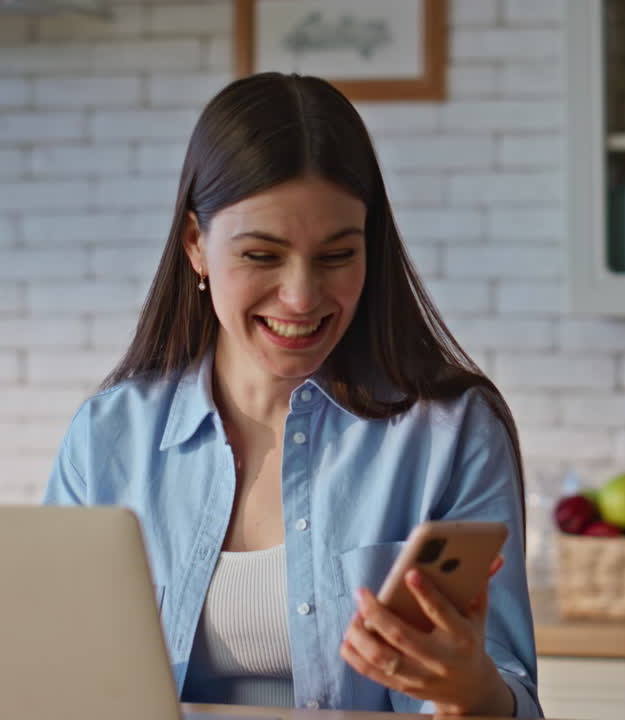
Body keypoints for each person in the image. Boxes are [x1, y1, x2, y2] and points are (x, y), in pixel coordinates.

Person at [43, 72, 541, 718]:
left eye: (337, 255)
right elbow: (51, 673)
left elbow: (510, 693)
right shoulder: (108, 438)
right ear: (197, 245)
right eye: (261, 255)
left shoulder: (450, 436)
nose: (302, 296)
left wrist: (471, 695)